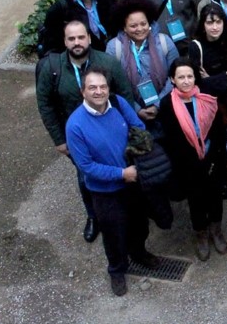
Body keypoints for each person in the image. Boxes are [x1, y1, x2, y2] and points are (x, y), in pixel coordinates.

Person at [65, 67, 161, 296]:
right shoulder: (75, 125)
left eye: (103, 87)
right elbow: (86, 167)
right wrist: (121, 174)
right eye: (92, 88)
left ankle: (138, 253)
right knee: (113, 233)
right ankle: (117, 270)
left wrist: (136, 150)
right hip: (105, 191)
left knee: (140, 223)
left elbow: (138, 126)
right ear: (83, 92)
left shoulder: (118, 103)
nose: (99, 92)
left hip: (133, 181)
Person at [36, 21, 133, 243]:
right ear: (64, 41)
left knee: (119, 168)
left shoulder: (108, 62)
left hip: (110, 132)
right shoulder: (52, 68)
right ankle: (94, 216)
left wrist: (129, 130)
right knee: (86, 177)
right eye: (71, 39)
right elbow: (45, 105)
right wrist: (59, 140)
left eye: (81, 37)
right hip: (77, 136)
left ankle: (126, 212)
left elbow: (125, 94)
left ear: (89, 38)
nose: (77, 42)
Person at [158, 58, 227, 260]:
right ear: (173, 79)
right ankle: (201, 233)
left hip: (211, 158)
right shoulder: (167, 104)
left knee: (215, 196)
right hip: (187, 164)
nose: (186, 81)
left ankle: (216, 230)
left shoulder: (206, 97)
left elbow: (218, 130)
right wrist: (191, 162)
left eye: (190, 76)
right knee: (196, 200)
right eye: (181, 77)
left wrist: (216, 158)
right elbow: (171, 139)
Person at [186, 3, 227, 198]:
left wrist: (215, 78)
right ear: (203, 24)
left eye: (218, 22)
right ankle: (223, 177)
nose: (214, 27)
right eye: (210, 22)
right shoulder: (196, 47)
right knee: (217, 140)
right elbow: (200, 83)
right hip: (210, 99)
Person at [105, 0, 180, 128]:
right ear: (124, 27)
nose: (140, 29)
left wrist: (157, 105)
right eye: (133, 26)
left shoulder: (164, 42)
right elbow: (114, 84)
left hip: (166, 109)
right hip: (131, 115)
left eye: (143, 24)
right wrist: (136, 109)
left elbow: (176, 76)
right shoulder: (114, 48)